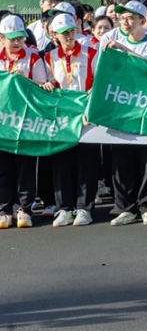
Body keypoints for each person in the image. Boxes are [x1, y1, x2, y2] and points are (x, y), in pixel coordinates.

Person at [99, 0, 147, 226]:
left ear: (142, 20)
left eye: (131, 18)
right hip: (121, 107)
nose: (125, 22)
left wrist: (124, 50)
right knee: (122, 159)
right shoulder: (112, 42)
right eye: (122, 18)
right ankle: (126, 207)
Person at [42, 13, 98, 227]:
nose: (69, 36)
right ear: (54, 35)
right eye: (64, 33)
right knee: (62, 162)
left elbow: (99, 83)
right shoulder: (48, 57)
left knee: (87, 162)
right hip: (61, 119)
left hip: (85, 117)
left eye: (72, 31)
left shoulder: (91, 53)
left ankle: (84, 208)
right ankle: (64, 207)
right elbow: (46, 84)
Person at [0, 15, 50, 228]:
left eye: (20, 37)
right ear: (1, 38)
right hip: (3, 121)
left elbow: (43, 86)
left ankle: (24, 208)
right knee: (3, 167)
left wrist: (24, 79)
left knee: (26, 166)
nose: (17, 42)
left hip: (27, 121)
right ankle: (4, 209)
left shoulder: (33, 57)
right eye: (12, 38)